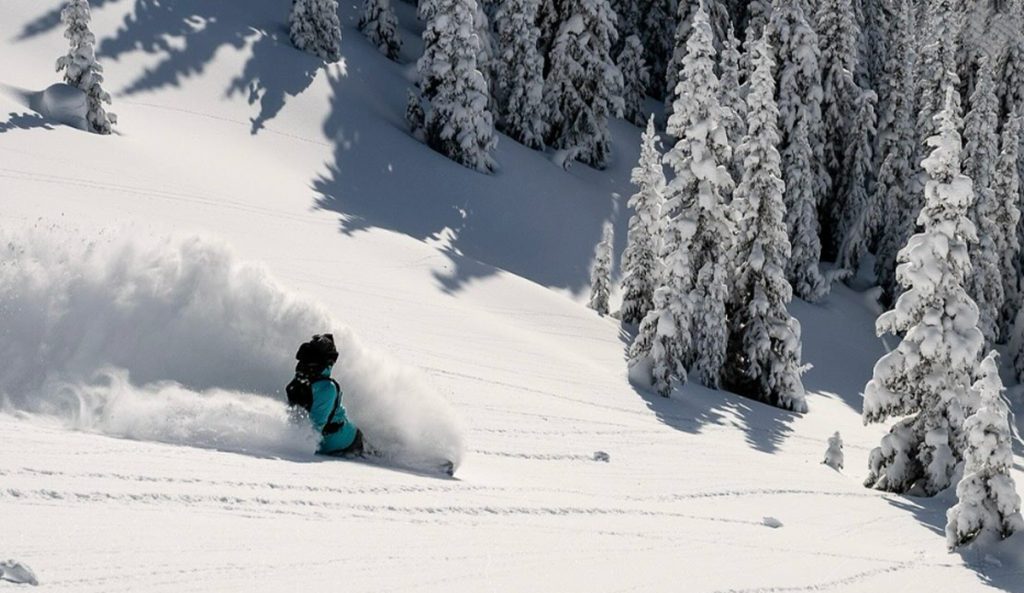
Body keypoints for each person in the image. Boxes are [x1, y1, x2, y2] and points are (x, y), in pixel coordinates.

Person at [286, 334, 364, 456]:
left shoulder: (326, 389)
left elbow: (314, 431)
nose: (303, 364)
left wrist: (292, 445)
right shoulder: (303, 381)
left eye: (309, 359)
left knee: (375, 455)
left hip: (348, 442)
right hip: (332, 442)